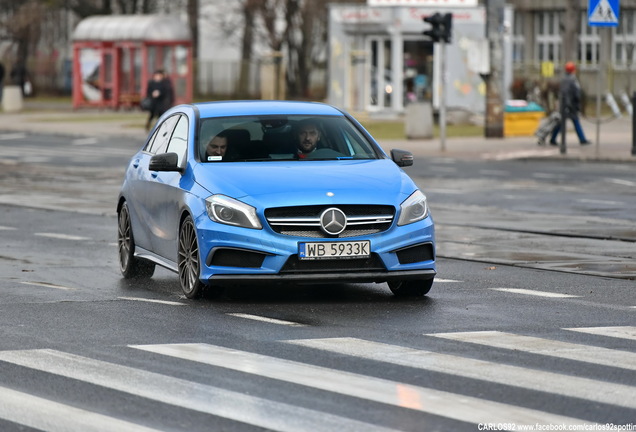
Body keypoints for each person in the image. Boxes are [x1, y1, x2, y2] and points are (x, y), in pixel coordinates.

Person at [549, 62, 590, 146]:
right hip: (569, 106)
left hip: (568, 105)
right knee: (572, 122)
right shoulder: (570, 80)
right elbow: (567, 93)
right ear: (573, 70)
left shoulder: (567, 79)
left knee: (563, 123)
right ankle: (582, 139)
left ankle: (553, 139)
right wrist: (569, 105)